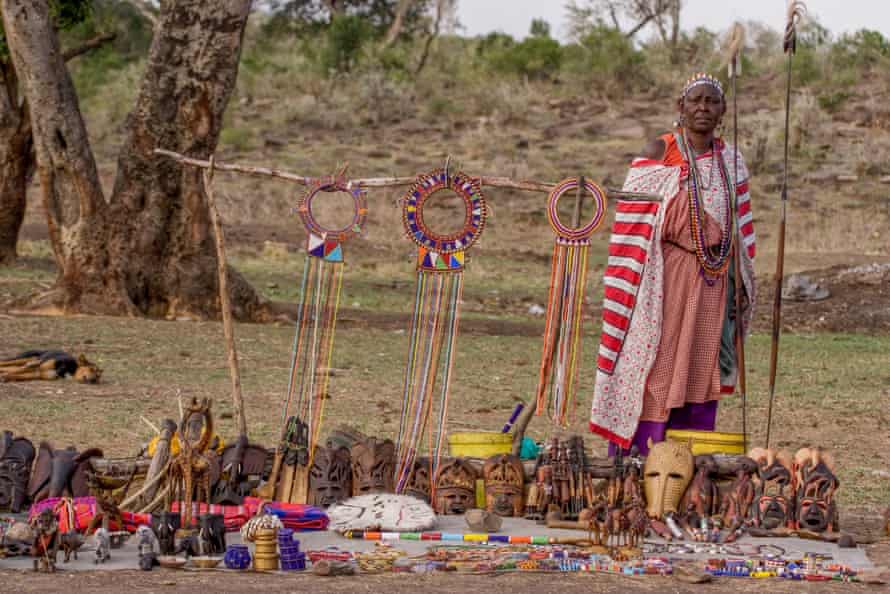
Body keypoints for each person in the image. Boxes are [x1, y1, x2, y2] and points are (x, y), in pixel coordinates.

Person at [589, 73, 756, 455]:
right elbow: (634, 224)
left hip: (714, 283)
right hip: (665, 282)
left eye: (711, 102)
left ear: (723, 111)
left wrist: (739, 285)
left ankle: (688, 458)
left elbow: (741, 234)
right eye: (695, 100)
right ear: (680, 108)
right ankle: (642, 455)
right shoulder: (659, 151)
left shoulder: (731, 161)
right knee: (659, 365)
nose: (702, 108)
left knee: (700, 368)